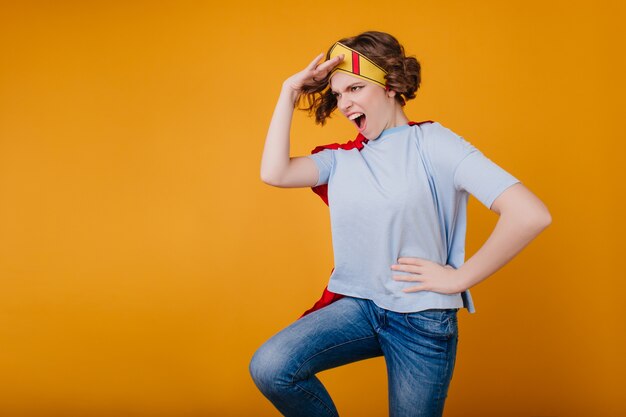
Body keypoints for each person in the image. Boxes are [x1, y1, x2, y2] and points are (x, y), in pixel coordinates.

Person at [249, 31, 551, 417]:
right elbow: (274, 172)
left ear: (390, 85)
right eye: (338, 94)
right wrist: (289, 92)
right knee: (272, 366)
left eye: (355, 87)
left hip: (422, 318)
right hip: (360, 306)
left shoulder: (434, 144)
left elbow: (530, 213)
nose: (345, 103)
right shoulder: (342, 160)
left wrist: (459, 279)